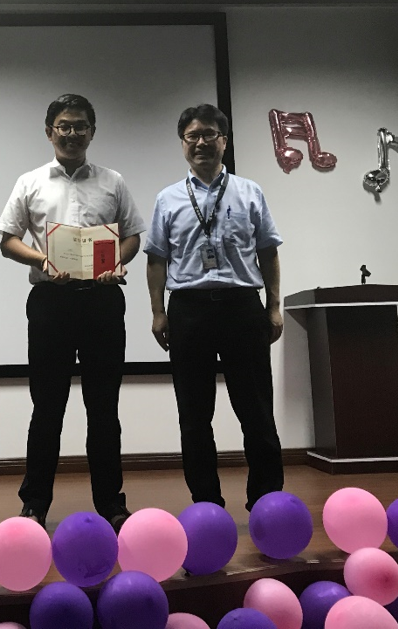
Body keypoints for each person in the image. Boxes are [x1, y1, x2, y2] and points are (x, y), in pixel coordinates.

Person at [0, 94, 146, 533]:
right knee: (47, 407)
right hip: (51, 303)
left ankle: (111, 503)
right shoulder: (30, 182)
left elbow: (133, 236)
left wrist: (116, 262)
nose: (72, 133)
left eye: (81, 126)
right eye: (64, 125)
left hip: (102, 301)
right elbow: (7, 240)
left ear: (92, 132)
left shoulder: (113, 181)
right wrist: (42, 260)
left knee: (104, 408)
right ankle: (34, 503)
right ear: (50, 132)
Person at [144, 103, 284, 512]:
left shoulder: (249, 191)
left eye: (209, 134)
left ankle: (266, 500)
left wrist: (274, 306)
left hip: (242, 307)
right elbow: (156, 260)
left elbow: (268, 252)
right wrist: (158, 312)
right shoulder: (168, 198)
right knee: (194, 415)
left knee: (256, 411)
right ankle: (206, 503)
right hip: (188, 309)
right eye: (193, 136)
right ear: (183, 143)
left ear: (224, 140)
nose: (201, 142)